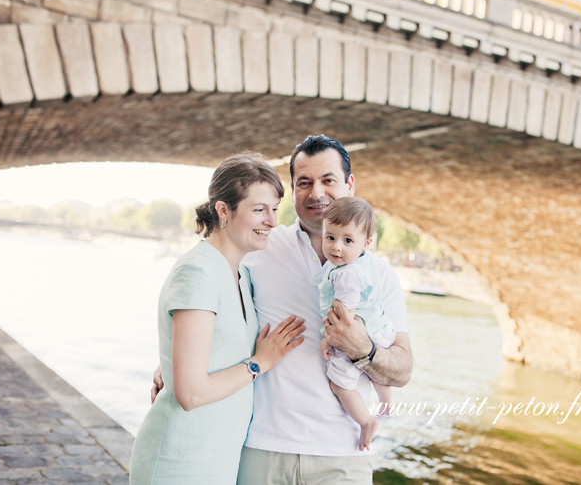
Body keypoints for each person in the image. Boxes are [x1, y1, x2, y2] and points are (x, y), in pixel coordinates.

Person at [153, 135, 413, 485]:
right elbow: (212, 305)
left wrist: (362, 348)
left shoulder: (378, 275)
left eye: (328, 180)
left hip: (344, 455)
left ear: (349, 184)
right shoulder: (259, 245)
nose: (317, 193)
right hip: (262, 449)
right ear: (293, 190)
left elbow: (402, 370)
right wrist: (170, 360)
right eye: (304, 183)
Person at [130, 155, 306, 485]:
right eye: (259, 209)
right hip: (180, 460)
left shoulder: (241, 274)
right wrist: (260, 363)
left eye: (274, 209)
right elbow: (191, 393)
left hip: (218, 457)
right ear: (223, 211)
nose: (271, 221)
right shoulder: (198, 271)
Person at [318, 197, 397, 452]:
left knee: (339, 384)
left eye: (347, 241)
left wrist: (328, 339)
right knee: (373, 370)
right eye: (330, 237)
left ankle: (365, 421)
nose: (336, 247)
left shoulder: (346, 273)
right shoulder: (367, 261)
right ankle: (386, 400)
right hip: (381, 328)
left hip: (359, 331)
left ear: (366, 243)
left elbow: (345, 313)